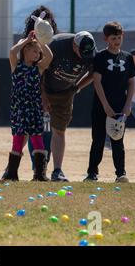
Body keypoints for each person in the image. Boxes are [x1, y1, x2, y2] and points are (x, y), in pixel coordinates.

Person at [84, 22, 135, 183]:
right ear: (106, 39)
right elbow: (97, 82)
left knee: (117, 140)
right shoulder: (100, 57)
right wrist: (105, 105)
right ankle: (92, 173)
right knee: (98, 139)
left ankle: (121, 173)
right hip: (101, 107)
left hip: (120, 106)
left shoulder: (127, 58)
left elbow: (132, 82)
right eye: (113, 38)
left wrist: (128, 105)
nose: (117, 41)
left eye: (119, 37)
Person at [42, 31, 97, 181]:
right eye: (81, 52)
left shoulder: (91, 52)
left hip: (65, 93)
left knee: (59, 131)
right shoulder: (56, 45)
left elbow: (93, 73)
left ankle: (57, 171)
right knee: (29, 129)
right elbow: (39, 70)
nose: (83, 57)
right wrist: (42, 96)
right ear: (74, 45)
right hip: (44, 89)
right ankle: (13, 169)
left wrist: (76, 88)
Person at [0, 30, 53, 181]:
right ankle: (12, 174)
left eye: (39, 52)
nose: (38, 54)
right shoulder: (16, 66)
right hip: (19, 108)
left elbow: (49, 57)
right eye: (34, 51)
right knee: (18, 138)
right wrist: (25, 40)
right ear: (25, 50)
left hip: (34, 108)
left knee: (37, 138)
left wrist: (41, 41)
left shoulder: (38, 68)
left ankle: (39, 174)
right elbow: (12, 51)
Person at [22, 6, 59, 170]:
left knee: (47, 130)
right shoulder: (26, 45)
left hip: (52, 94)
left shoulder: (55, 43)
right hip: (32, 95)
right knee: (30, 132)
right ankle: (35, 165)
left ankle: (43, 163)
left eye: (48, 22)